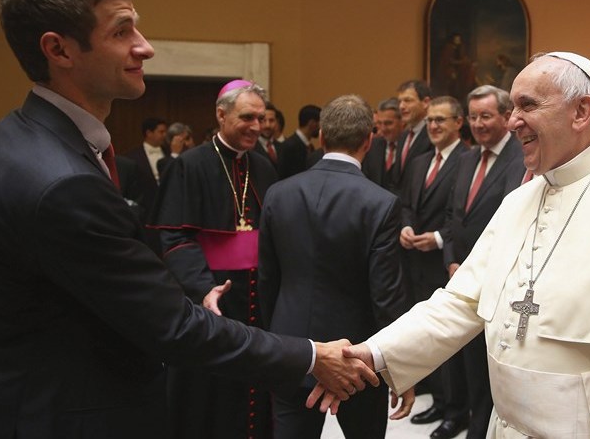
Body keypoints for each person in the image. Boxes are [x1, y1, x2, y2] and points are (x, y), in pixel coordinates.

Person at [0, 0, 376, 438]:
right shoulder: (63, 180)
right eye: (121, 32)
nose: (145, 47)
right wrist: (310, 354)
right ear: (59, 49)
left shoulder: (12, 138)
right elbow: (173, 324)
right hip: (63, 412)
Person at [316, 52, 590, 437]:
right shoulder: (518, 201)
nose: (512, 122)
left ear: (581, 111)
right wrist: (370, 355)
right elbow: (458, 304)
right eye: (511, 108)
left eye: (526, 106)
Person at [258, 94, 414, 439]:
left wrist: (275, 340)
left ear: (323, 138)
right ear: (368, 141)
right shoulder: (381, 203)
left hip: (292, 345)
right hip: (357, 357)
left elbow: (267, 279)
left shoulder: (278, 194)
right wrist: (402, 368)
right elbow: (386, 295)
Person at [151, 79, 285, 438]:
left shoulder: (264, 166)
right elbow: (174, 236)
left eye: (261, 117)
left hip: (257, 299)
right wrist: (203, 287)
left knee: (255, 388)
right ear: (221, 114)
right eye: (247, 117)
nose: (257, 126)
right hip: (212, 299)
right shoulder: (189, 165)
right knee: (209, 394)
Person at [439, 85, 521, 439]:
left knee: (489, 368)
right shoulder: (466, 158)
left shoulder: (520, 159)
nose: (478, 124)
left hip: (496, 280)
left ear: (506, 117)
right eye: (472, 117)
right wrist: (451, 260)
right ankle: (466, 419)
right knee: (466, 361)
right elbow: (452, 216)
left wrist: (477, 268)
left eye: (486, 116)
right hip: (460, 274)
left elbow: (510, 220)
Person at [399, 95, 468, 430]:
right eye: (430, 121)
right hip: (414, 261)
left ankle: (452, 408)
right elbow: (407, 203)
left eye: (441, 120)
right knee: (423, 333)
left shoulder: (468, 160)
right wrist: (406, 226)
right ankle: (437, 397)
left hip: (445, 261)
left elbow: (461, 215)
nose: (434, 126)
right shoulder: (419, 161)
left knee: (446, 339)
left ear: (459, 122)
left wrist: (438, 239)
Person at [392, 80, 435, 193]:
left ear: (426, 102)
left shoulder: (434, 135)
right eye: (400, 101)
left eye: (407, 100)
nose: (401, 106)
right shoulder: (404, 135)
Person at [361, 97, 403, 192]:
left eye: (388, 123)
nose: (383, 129)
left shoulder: (409, 148)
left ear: (402, 122)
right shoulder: (371, 146)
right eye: (380, 123)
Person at [278, 104, 320, 178]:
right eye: (320, 123)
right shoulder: (288, 147)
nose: (320, 128)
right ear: (312, 123)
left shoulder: (310, 147)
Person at [255, 101, 282, 169]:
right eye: (264, 120)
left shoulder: (282, 147)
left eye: (271, 120)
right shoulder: (250, 149)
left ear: (277, 122)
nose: (268, 125)